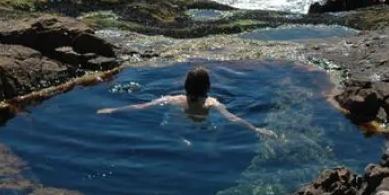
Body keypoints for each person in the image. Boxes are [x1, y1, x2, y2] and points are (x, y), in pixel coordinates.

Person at [98, 66, 274, 137]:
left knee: (172, 126)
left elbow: (141, 106)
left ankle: (178, 138)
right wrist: (257, 129)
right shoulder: (212, 103)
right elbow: (233, 119)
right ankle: (209, 148)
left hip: (172, 126)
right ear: (208, 86)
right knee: (216, 128)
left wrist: (113, 110)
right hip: (201, 127)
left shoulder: (172, 99)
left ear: (185, 85)